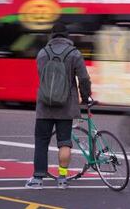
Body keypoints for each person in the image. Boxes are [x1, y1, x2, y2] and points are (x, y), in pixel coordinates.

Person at [25, 22, 91, 189]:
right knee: (64, 142)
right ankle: (62, 179)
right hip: (66, 106)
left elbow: (42, 77)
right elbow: (83, 78)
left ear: (52, 35)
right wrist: (85, 97)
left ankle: (38, 179)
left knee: (41, 141)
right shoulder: (74, 53)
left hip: (44, 106)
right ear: (67, 36)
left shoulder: (42, 53)